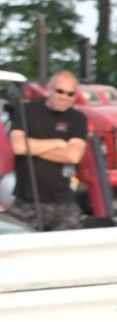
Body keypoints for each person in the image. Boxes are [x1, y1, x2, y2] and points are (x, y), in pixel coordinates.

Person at [7, 68, 88, 232]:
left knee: (73, 250)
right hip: (27, 201)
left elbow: (73, 155)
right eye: (60, 91)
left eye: (70, 94)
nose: (64, 97)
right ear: (49, 89)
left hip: (64, 203)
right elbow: (18, 146)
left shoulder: (78, 119)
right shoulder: (26, 111)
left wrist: (33, 148)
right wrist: (58, 143)